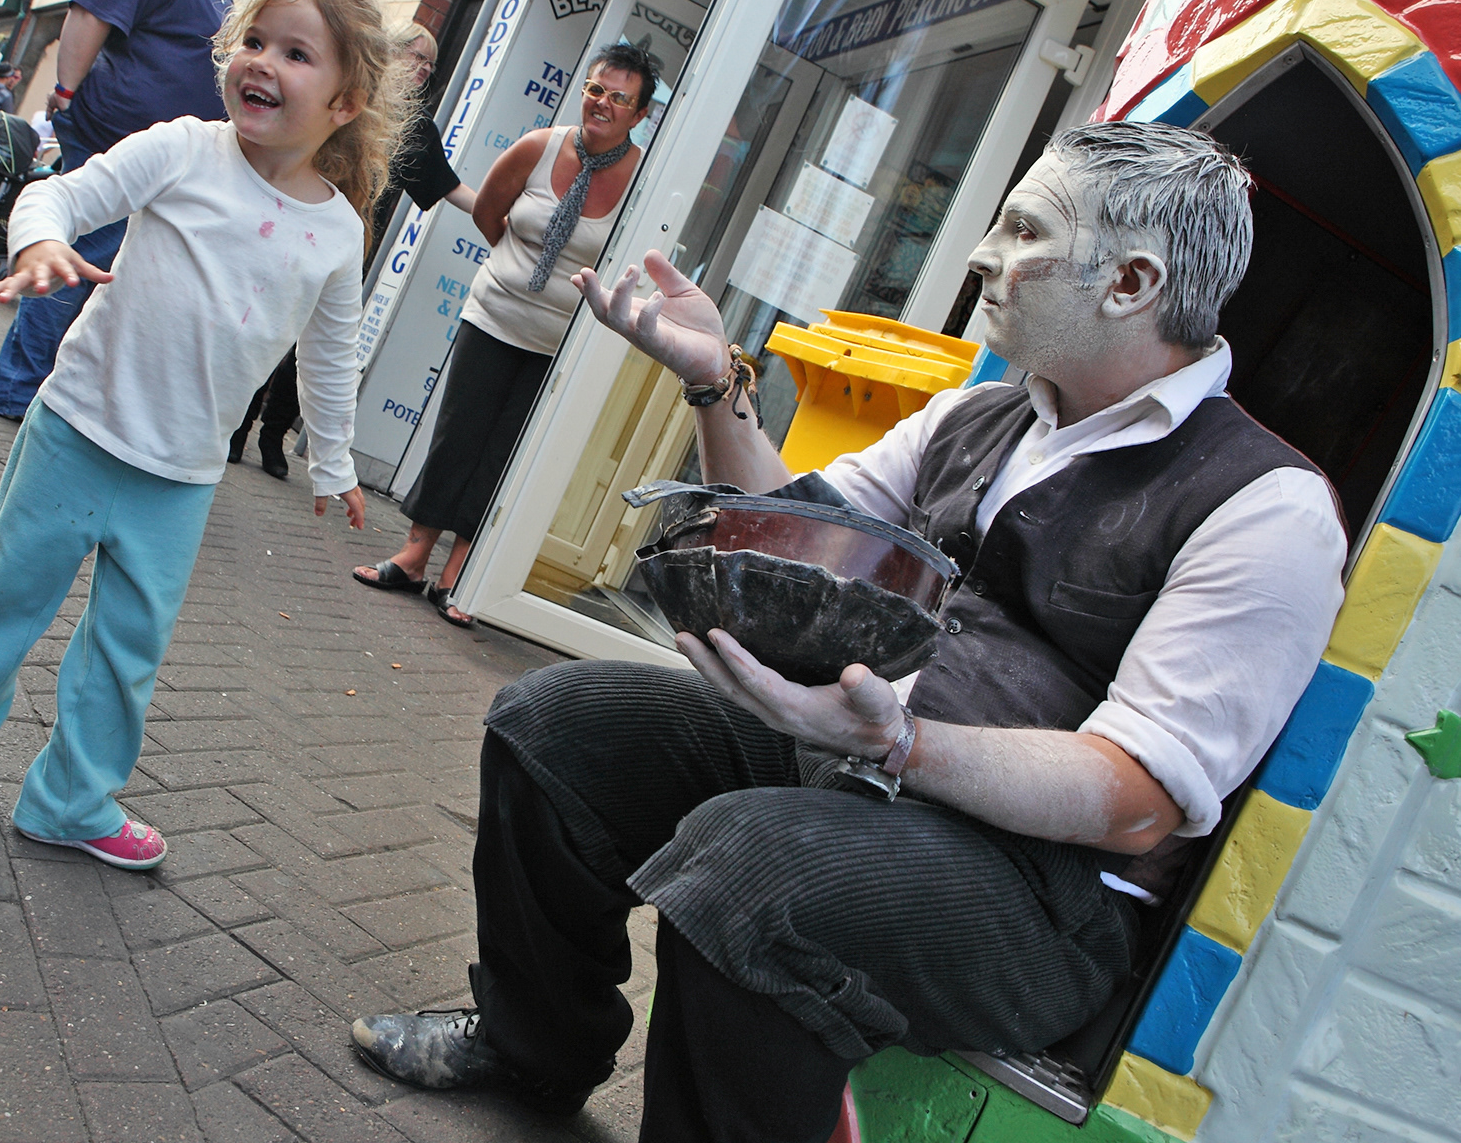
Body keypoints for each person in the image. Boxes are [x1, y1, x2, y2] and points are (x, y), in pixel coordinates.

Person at [348, 122, 1350, 1137]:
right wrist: (713, 384)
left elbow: (1137, 801)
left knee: (753, 872)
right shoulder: (983, 417)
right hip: (867, 769)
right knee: (553, 725)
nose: (981, 255)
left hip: (1038, 894)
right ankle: (534, 1049)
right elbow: (798, 542)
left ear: (1131, 284)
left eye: (1024, 230)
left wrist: (899, 742)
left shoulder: (1266, 509)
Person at [0, 0, 407, 871]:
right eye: (252, 41)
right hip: (76, 426)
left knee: (126, 651)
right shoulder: (183, 145)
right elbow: (60, 191)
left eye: (296, 53)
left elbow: (331, 354)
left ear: (346, 102)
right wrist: (43, 239)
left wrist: (334, 461)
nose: (262, 61)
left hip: (180, 475)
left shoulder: (338, 230)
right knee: (5, 600)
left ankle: (72, 800)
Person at [352, 42, 657, 627]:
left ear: (639, 114)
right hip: (493, 316)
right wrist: (519, 271)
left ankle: (459, 571)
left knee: (504, 453)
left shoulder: (642, 177)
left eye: (620, 98)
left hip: (559, 345)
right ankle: (414, 555)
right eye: (596, 89)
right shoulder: (540, 146)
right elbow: (489, 213)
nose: (602, 104)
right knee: (457, 435)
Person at [0, 0, 262, 421]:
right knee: (73, 270)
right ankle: (17, 393)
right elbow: (91, 11)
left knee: (86, 272)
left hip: (147, 166)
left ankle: (32, 391)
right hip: (110, 145)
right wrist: (66, 91)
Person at [228, 19, 476, 479]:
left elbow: (446, 186)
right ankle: (236, 429)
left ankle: (273, 434)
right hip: (303, 227)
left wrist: (498, 213)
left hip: (353, 245)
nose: (421, 69)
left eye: (429, 63)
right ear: (389, 52)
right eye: (414, 56)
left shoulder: (415, 125)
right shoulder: (346, 98)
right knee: (272, 328)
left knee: (313, 342)